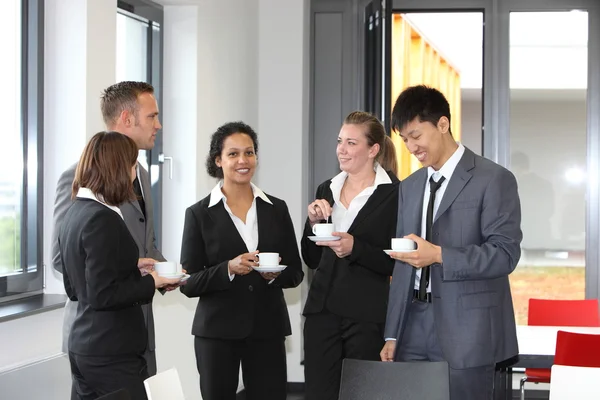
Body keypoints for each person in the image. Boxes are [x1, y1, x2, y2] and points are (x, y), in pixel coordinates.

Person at [381, 85, 522, 400]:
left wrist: (440, 255)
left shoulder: (493, 179)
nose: (411, 147)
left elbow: (505, 254)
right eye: (404, 140)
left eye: (416, 136)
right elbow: (403, 265)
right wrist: (392, 333)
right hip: (411, 326)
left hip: (468, 330)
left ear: (442, 124)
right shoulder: (410, 186)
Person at [179, 121, 304, 400]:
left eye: (249, 153)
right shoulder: (198, 214)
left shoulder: (276, 208)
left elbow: (295, 272)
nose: (243, 161)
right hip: (216, 333)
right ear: (218, 160)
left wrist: (275, 275)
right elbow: (189, 282)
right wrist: (228, 269)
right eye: (233, 154)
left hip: (267, 330)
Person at [51, 81, 166, 383]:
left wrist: (165, 273)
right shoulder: (79, 176)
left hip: (136, 330)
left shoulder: (140, 173)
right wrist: (128, 280)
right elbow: (64, 257)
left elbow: (145, 244)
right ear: (127, 119)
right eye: (152, 116)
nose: (159, 125)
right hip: (100, 335)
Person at [58, 132, 180, 400]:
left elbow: (76, 286)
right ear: (118, 169)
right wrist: (153, 281)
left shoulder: (75, 212)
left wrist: (130, 266)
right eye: (134, 165)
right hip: (111, 352)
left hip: (85, 348)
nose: (136, 174)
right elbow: (103, 295)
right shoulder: (103, 218)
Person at [301, 111, 400, 400]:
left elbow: (395, 261)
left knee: (363, 395)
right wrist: (313, 224)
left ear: (373, 150)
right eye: (339, 141)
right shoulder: (326, 188)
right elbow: (312, 259)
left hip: (367, 316)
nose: (341, 149)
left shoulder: (395, 194)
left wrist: (356, 248)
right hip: (322, 314)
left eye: (351, 143)